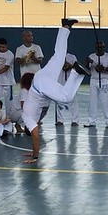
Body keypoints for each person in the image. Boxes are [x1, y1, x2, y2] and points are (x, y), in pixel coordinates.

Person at [21, 19, 90, 164]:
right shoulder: (33, 117)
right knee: (59, 56)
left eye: (35, 128)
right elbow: (34, 134)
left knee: (66, 97)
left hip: (41, 86)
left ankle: (76, 72)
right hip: (41, 77)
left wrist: (35, 156)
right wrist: (33, 151)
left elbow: (34, 135)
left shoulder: (27, 118)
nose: (38, 129)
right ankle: (65, 27)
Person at [84, 41, 108, 128]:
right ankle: (91, 120)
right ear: (95, 48)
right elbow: (87, 70)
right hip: (93, 80)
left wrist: (104, 69)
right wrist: (87, 62)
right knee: (92, 101)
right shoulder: (92, 57)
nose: (100, 49)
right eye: (98, 47)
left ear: (104, 47)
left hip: (104, 80)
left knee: (105, 101)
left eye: (102, 47)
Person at [55, 54, 81, 127]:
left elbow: (77, 67)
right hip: (60, 81)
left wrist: (70, 65)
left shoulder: (72, 57)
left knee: (73, 101)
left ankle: (75, 120)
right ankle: (60, 120)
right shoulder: (57, 56)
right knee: (59, 101)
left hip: (71, 81)